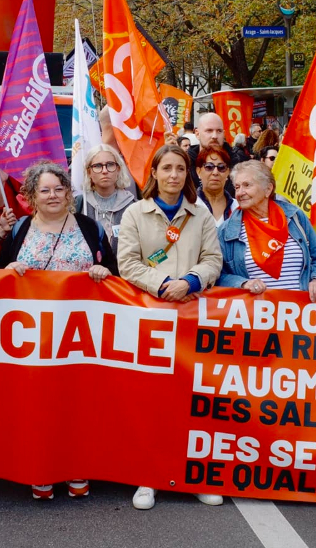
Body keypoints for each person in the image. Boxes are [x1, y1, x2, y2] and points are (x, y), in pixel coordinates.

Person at [2, 161, 117, 500]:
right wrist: (9, 269)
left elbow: (112, 270)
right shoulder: (20, 229)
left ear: (69, 193)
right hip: (33, 339)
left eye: (59, 189)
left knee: (77, 406)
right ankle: (41, 469)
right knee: (39, 407)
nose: (53, 195)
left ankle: (77, 466)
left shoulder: (89, 227)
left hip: (81, 338)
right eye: (45, 190)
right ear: (31, 197)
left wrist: (101, 271)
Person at [116, 144, 222, 510]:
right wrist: (163, 284)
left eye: (180, 168)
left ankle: (193, 476)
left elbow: (213, 258)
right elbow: (126, 263)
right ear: (155, 174)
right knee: (153, 400)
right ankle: (149, 477)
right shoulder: (135, 213)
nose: (174, 175)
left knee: (191, 400)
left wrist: (191, 281)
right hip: (150, 315)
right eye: (167, 169)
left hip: (192, 317)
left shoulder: (201, 215)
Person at [217, 160, 316, 300]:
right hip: (256, 315)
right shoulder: (227, 230)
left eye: (247, 185)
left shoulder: (295, 217)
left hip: (299, 312)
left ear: (268, 189)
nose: (240, 193)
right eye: (237, 187)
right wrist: (243, 283)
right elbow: (218, 274)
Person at [73, 144, 137, 251]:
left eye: (110, 164)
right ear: (89, 172)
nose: (104, 171)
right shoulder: (78, 205)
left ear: (118, 169)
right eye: (97, 166)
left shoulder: (134, 206)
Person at [195, 144, 236, 226]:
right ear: (198, 171)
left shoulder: (238, 208)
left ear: (228, 172)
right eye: (209, 167)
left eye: (221, 167)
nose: (215, 172)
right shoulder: (189, 206)